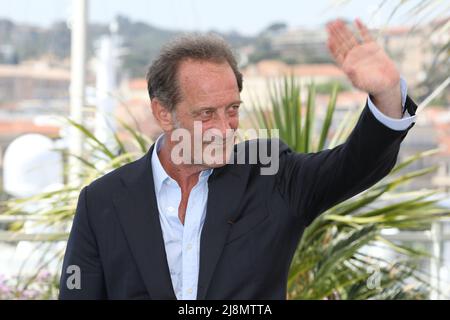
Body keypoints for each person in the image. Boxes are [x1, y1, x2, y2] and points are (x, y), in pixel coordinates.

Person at [59, 19, 417, 299]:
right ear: (163, 113)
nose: (224, 127)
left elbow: (354, 164)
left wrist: (385, 92)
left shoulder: (270, 173)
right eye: (205, 114)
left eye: (232, 110)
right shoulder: (101, 201)